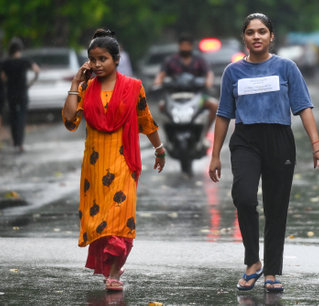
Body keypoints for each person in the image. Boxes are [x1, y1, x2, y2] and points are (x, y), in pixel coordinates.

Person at [208, 13, 319, 293]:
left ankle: (273, 270)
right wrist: (215, 154)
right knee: (245, 196)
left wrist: (317, 146)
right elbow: (223, 114)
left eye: (262, 31)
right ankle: (253, 262)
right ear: (244, 37)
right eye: (250, 32)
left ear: (271, 36)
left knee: (276, 207)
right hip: (246, 140)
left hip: (279, 139)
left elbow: (303, 107)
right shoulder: (233, 72)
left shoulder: (286, 67)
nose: (256, 36)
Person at [62, 28, 165, 291]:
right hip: (95, 164)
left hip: (123, 161)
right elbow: (69, 121)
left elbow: (146, 120)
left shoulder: (133, 87)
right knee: (100, 221)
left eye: (102, 59)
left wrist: (159, 148)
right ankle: (108, 268)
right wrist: (75, 83)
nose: (97, 65)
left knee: (121, 218)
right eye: (92, 59)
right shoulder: (85, 88)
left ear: (116, 59)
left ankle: (115, 273)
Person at [153, 34, 218, 131]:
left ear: (191, 46)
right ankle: (169, 132)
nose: (185, 48)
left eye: (187, 45)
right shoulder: (171, 60)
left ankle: (206, 131)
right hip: (174, 96)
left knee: (214, 105)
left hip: (197, 95)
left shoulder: (199, 60)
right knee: (161, 106)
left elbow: (209, 73)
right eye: (183, 45)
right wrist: (157, 82)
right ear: (179, 46)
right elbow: (161, 74)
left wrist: (208, 83)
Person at [1, 37, 39, 152]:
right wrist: (30, 83)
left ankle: (15, 141)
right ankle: (20, 143)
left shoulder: (5, 62)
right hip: (22, 91)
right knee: (22, 116)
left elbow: (2, 77)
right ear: (20, 49)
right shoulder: (25, 61)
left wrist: (8, 82)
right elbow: (37, 70)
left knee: (13, 116)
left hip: (11, 92)